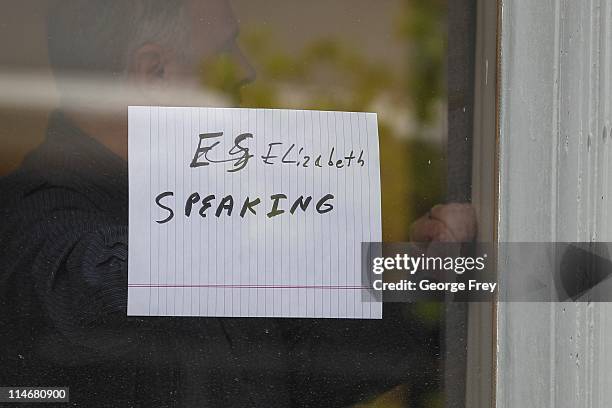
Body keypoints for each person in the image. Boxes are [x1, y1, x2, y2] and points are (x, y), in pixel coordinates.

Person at [0, 0, 475, 406]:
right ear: (155, 72)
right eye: (225, 52)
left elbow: (300, 359)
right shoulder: (34, 229)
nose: (246, 71)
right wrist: (260, 215)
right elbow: (92, 286)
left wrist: (428, 278)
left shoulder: (179, 230)